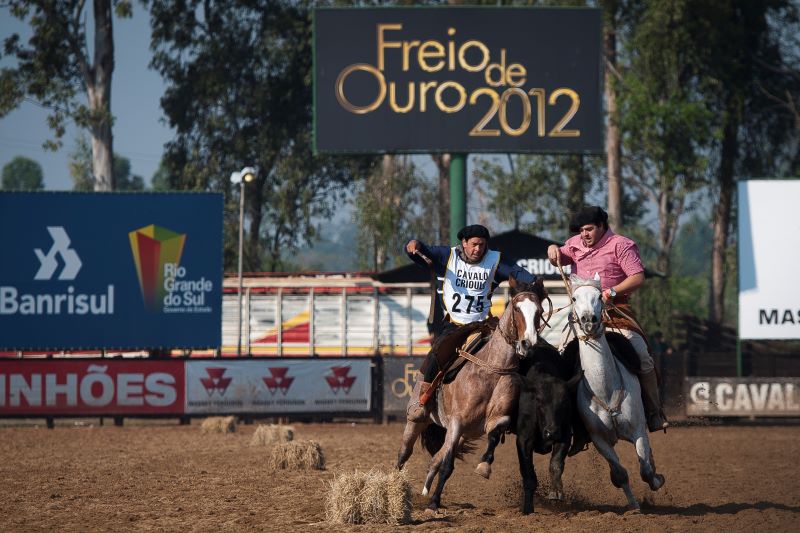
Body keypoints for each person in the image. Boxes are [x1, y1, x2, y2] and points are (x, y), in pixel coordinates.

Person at [547, 206, 668, 433]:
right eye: (581, 230)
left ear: (602, 226)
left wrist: (611, 292)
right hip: (581, 317)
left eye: (589, 229)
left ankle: (654, 412)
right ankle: (565, 420)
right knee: (559, 357)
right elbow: (557, 258)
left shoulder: (621, 245)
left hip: (615, 312)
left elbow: (637, 277)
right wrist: (552, 249)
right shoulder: (574, 244)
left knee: (643, 357)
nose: (584, 234)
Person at [404, 224, 536, 422]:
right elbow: (422, 251)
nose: (478, 249)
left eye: (482, 245)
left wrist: (534, 282)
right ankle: (423, 401)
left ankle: (525, 406)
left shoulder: (495, 260)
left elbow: (517, 273)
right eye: (474, 244)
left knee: (518, 355)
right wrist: (413, 245)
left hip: (485, 325)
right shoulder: (447, 256)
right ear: (464, 243)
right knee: (436, 355)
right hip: (455, 325)